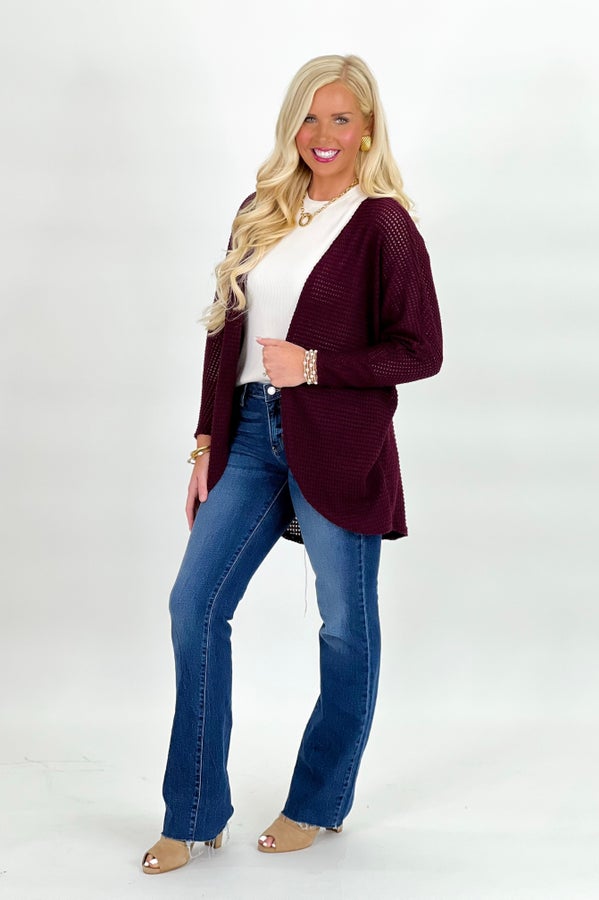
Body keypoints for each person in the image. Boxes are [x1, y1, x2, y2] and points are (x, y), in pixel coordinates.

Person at [142, 53, 442, 874]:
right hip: (248, 435)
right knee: (194, 605)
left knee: (345, 626)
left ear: (367, 129)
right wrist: (205, 444)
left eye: (341, 118)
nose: (323, 134)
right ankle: (193, 813)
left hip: (340, 444)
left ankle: (319, 800)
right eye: (310, 117)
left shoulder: (383, 225)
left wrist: (314, 366)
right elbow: (224, 334)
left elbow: (421, 350)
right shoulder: (261, 209)